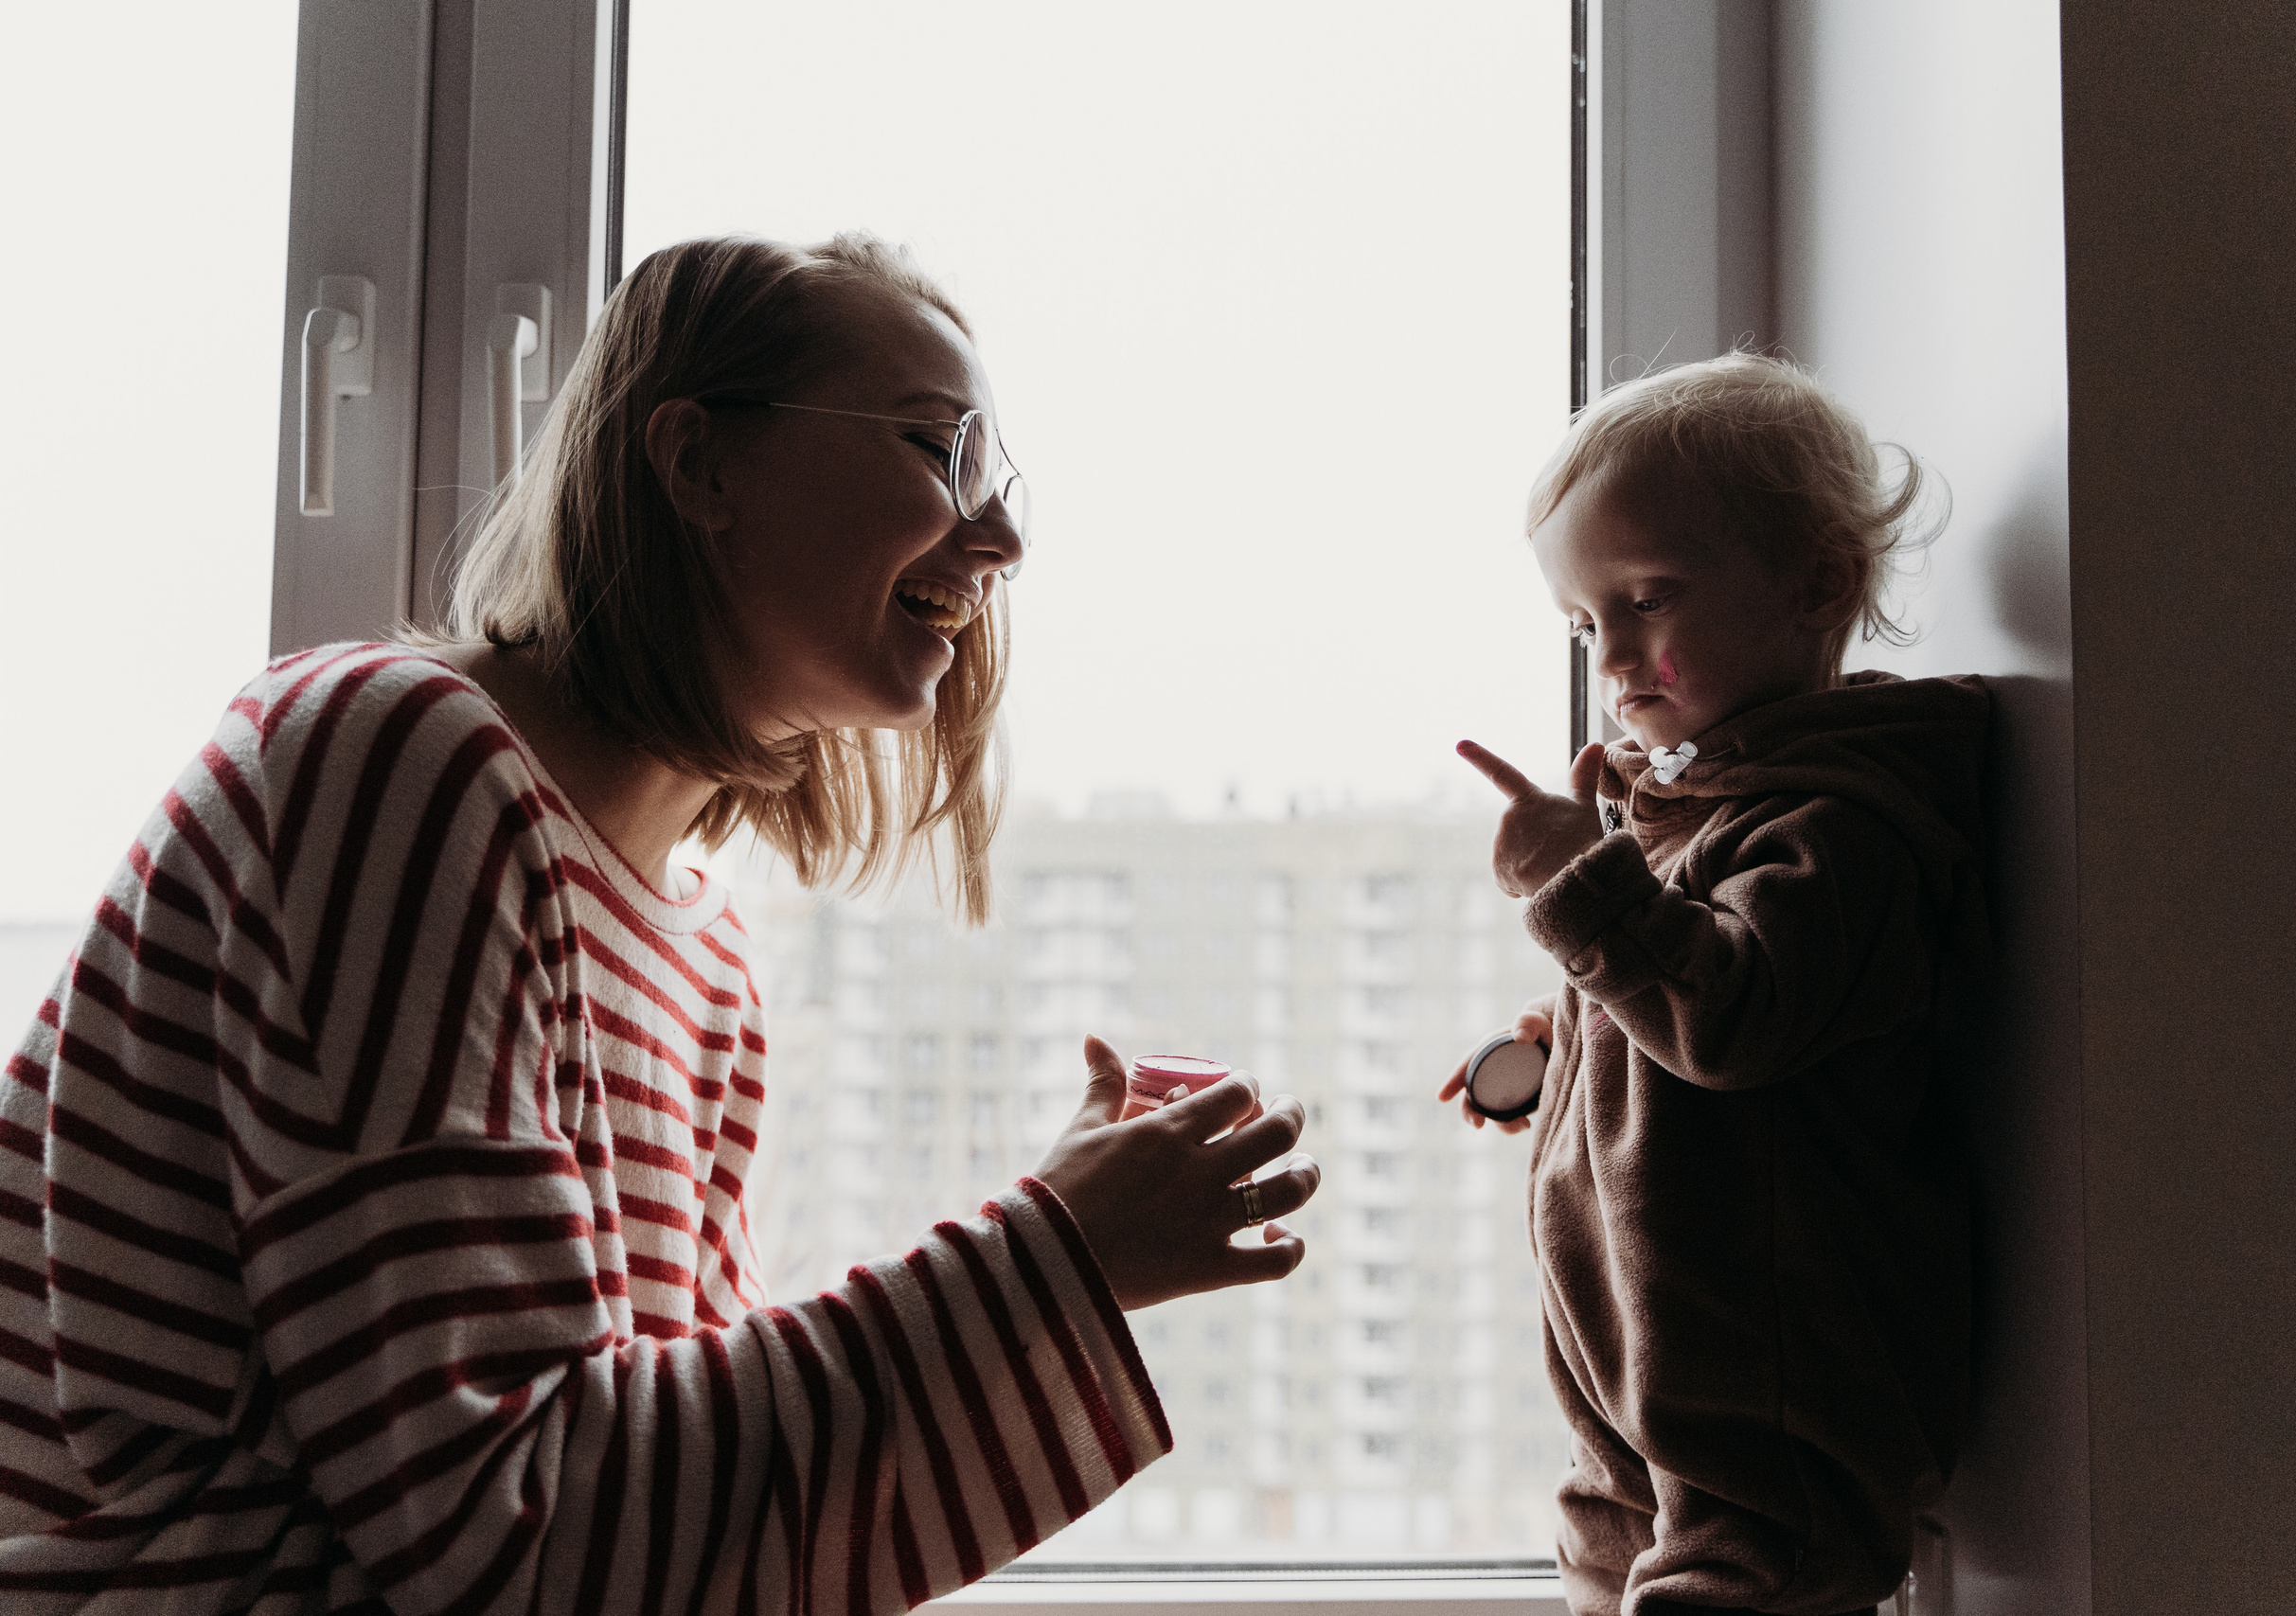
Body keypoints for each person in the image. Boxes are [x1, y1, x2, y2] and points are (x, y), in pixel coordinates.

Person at [0, 234, 1321, 1613]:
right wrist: (1056, 1261)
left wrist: (1062, 1253)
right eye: (937, 449)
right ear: (697, 465)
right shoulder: (396, 760)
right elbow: (506, 1534)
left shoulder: (701, 960)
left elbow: (661, 1542)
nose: (1002, 537)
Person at [1444, 354, 1986, 1616]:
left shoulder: (1839, 830)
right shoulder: (1701, 812)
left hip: (1769, 1428)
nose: (1614, 655)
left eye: (1648, 601)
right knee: (1599, 1563)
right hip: (1641, 1406)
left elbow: (1732, 1016)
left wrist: (1579, 887)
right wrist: (1557, 1049)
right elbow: (1659, 997)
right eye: (1587, 626)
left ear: (1817, 585)